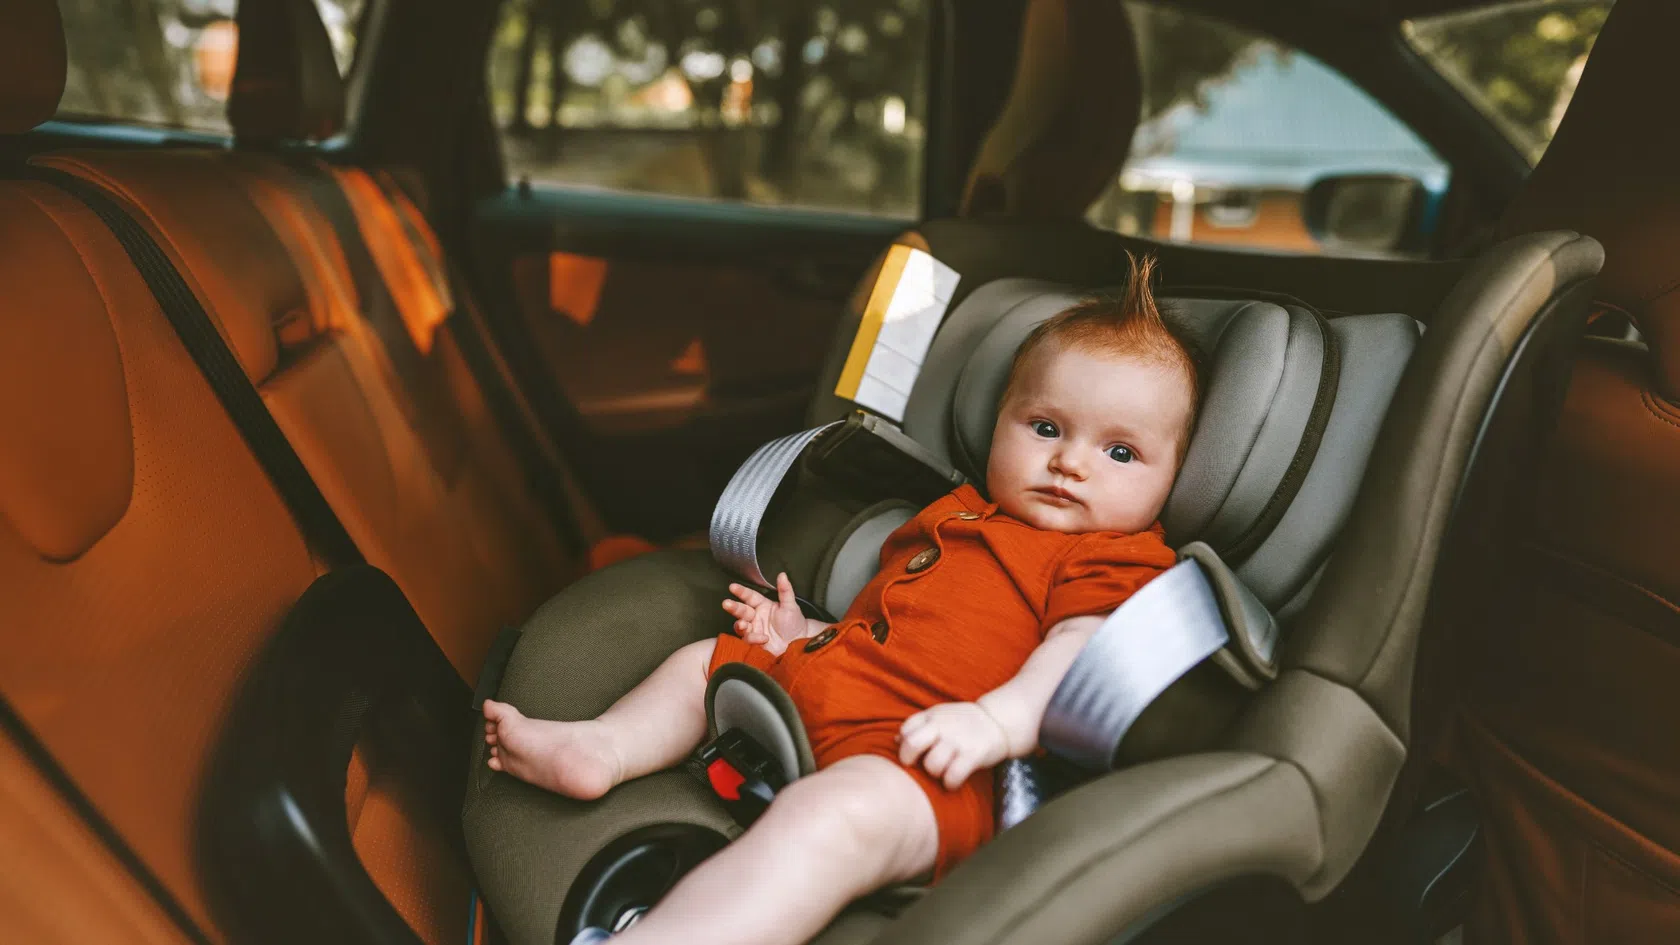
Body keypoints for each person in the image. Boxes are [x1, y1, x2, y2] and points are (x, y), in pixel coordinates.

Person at [482, 252, 1199, 945]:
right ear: (1002, 421)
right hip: (828, 686)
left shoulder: (1113, 556)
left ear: (1173, 475)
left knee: (839, 820)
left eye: (1120, 452)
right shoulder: (960, 514)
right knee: (706, 661)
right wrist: (800, 635)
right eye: (1045, 428)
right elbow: (884, 623)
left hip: (930, 760)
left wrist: (997, 721)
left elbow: (1078, 654)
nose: (1070, 461)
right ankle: (603, 747)